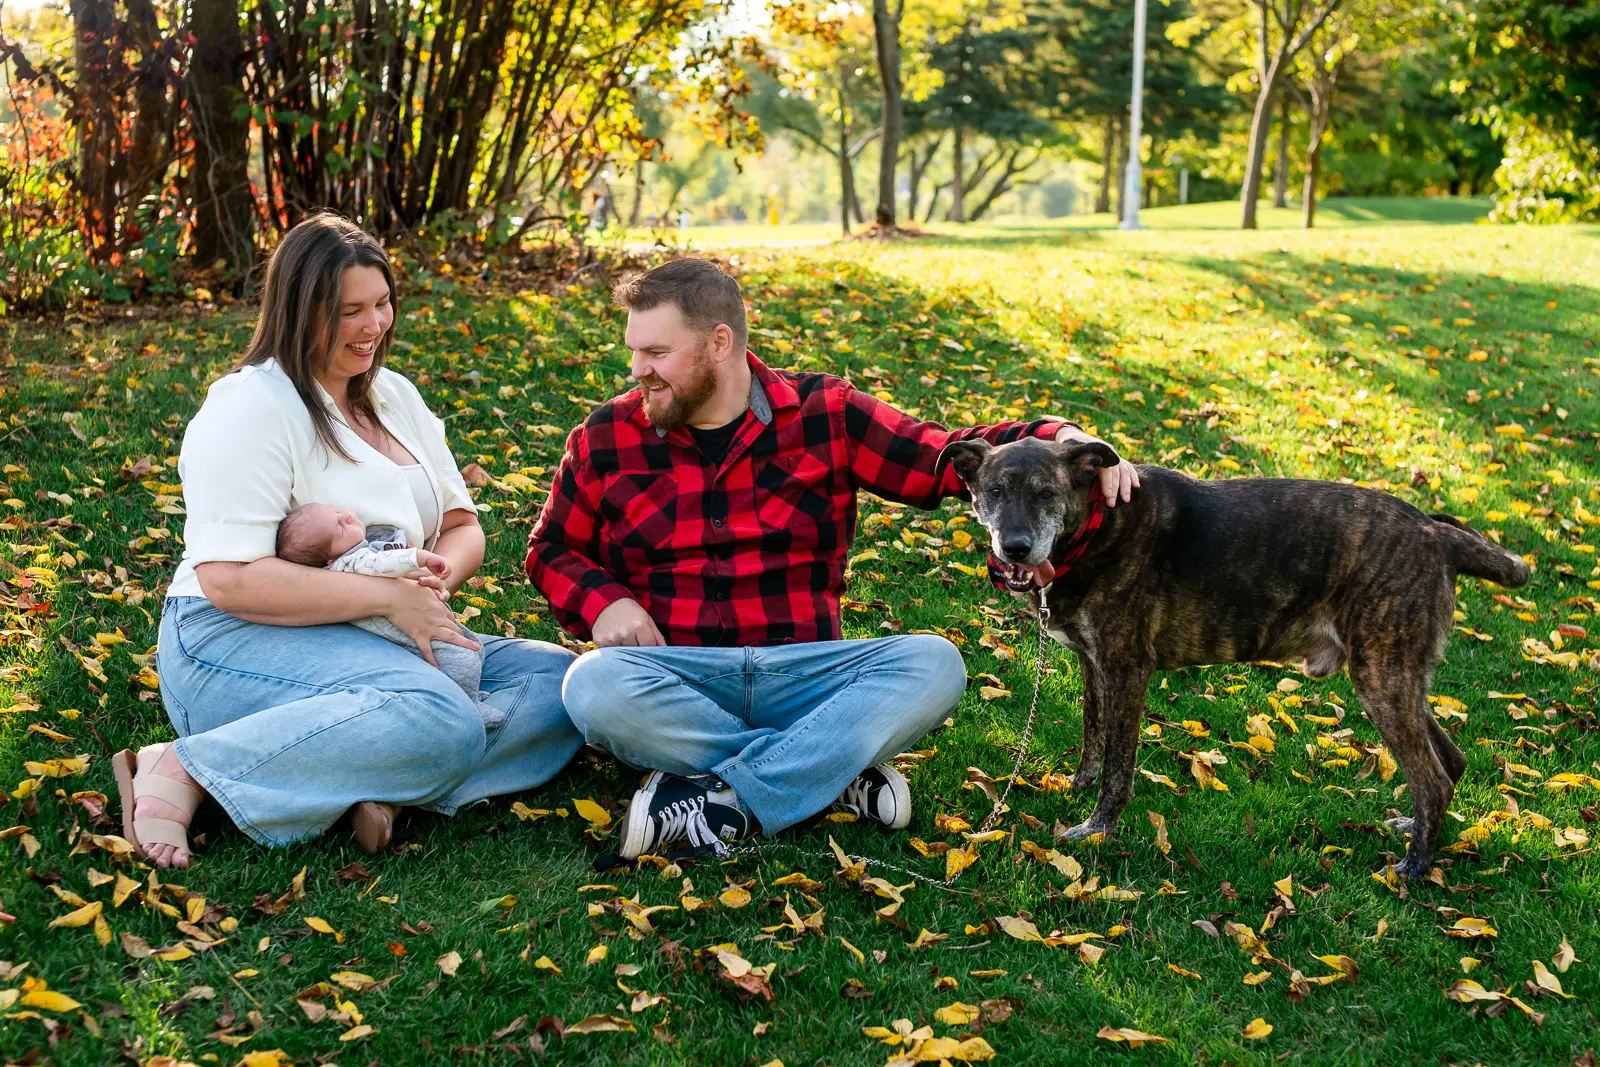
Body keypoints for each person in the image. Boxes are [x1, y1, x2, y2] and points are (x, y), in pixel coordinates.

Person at [527, 257, 1139, 860]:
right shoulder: (604, 437)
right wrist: (603, 601)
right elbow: (550, 548)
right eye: (636, 352)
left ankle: (731, 792)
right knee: (591, 687)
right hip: (676, 676)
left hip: (808, 676)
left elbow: (941, 455)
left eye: (656, 353)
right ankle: (828, 770)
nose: (638, 371)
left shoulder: (825, 412)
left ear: (719, 343)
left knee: (936, 665)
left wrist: (1062, 437)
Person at [116, 212, 582, 869]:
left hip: (380, 633)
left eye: (382, 303)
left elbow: (461, 524)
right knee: (444, 718)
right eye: (349, 311)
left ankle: (376, 778)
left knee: (562, 681)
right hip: (233, 634)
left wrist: (430, 583)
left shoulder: (394, 396)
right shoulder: (252, 406)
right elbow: (230, 578)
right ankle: (185, 765)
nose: (373, 326)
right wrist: (389, 601)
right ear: (299, 310)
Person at [273, 503, 503, 728]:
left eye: (337, 512)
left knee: (468, 649)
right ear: (330, 560)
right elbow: (386, 563)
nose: (348, 516)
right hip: (406, 630)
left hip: (411, 620)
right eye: (340, 526)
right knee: (461, 656)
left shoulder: (347, 559)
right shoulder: (353, 562)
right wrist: (420, 558)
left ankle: (467, 693)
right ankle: (469, 707)